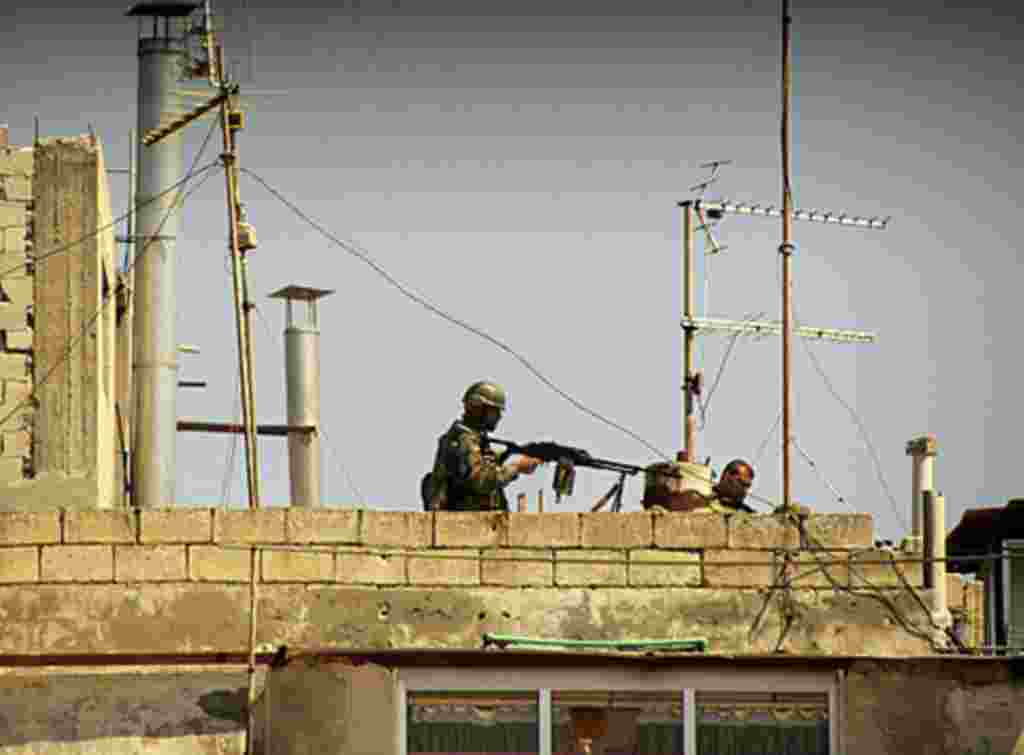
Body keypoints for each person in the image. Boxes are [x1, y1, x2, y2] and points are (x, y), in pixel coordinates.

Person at [422, 381, 542, 512]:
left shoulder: (474, 439)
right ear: (477, 408)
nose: (498, 417)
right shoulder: (461, 440)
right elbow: (481, 480)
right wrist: (517, 467)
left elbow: (483, 462)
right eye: (494, 411)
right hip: (462, 525)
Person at [672, 459, 756, 513]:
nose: (745, 490)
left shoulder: (747, 513)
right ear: (727, 477)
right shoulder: (701, 500)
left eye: (748, 486)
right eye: (742, 483)